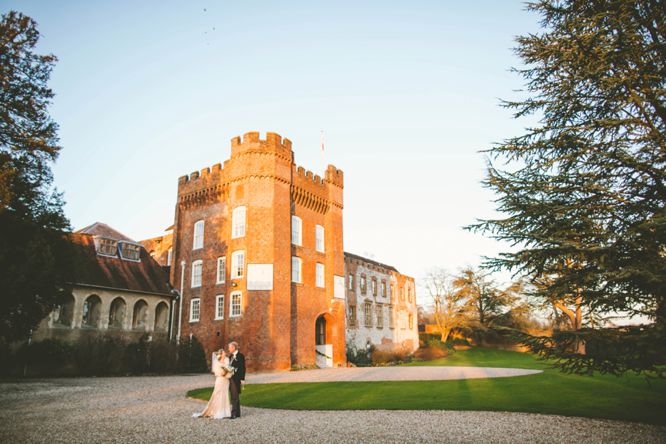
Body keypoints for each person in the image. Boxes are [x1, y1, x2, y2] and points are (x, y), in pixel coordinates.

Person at [193, 349, 232, 419]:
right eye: (224, 352)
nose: (225, 353)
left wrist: (228, 372)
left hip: (226, 380)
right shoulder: (217, 362)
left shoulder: (227, 360)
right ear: (221, 354)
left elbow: (229, 368)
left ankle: (225, 412)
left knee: (225, 395)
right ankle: (217, 411)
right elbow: (216, 372)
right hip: (220, 380)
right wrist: (222, 373)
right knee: (217, 395)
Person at [227, 341, 246, 419]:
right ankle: (237, 413)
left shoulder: (240, 356)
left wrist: (242, 378)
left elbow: (242, 368)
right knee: (234, 395)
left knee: (235, 396)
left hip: (236, 379)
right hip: (230, 378)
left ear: (234, 347)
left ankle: (234, 413)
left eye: (229, 348)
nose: (228, 349)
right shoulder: (230, 356)